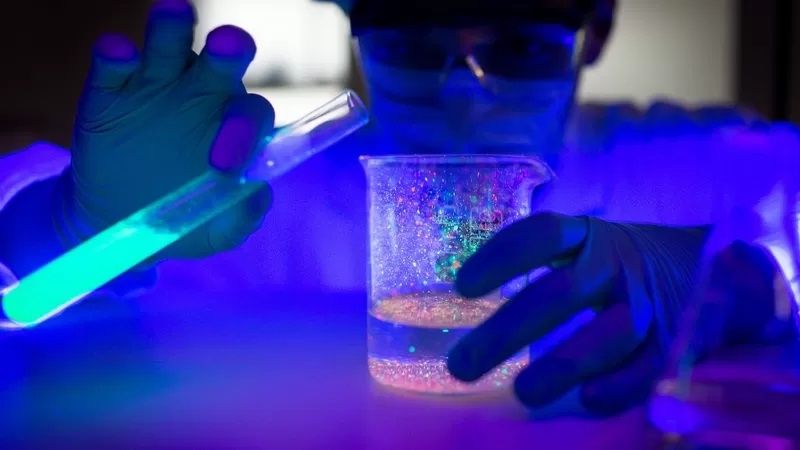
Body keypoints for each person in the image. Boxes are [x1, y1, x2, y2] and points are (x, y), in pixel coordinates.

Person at [0, 0, 797, 417]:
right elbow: (18, 293)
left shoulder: (688, 164)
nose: (463, 92)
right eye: (414, 50)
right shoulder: (247, 192)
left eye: (521, 49)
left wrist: (759, 278)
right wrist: (65, 226)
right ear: (355, 26)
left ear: (596, 31)